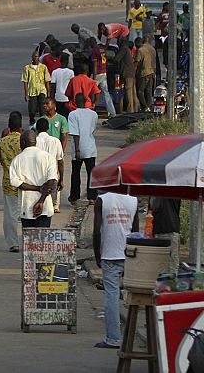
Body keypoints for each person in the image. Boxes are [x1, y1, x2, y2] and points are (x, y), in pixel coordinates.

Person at [93, 192, 139, 349]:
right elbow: (136, 232)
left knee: (111, 296)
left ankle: (113, 338)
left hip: (109, 254)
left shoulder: (102, 200)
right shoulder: (133, 200)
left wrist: (98, 255)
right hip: (129, 254)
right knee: (135, 296)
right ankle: (130, 339)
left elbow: (97, 231)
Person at [0, 112, 24, 252]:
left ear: (8, 127)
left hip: (9, 183)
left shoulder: (2, 142)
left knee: (10, 214)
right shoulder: (26, 140)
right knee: (27, 212)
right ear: (20, 127)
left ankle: (13, 243)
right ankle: (30, 242)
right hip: (28, 183)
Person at [9, 130, 58, 228]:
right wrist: (41, 201)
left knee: (29, 240)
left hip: (27, 207)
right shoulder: (48, 157)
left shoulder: (17, 160)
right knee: (43, 239)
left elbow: (16, 183)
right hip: (45, 206)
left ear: (23, 143)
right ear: (35, 142)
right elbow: (51, 180)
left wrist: (37, 188)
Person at [68, 93, 98, 203]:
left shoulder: (73, 115)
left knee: (75, 173)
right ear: (86, 101)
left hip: (78, 148)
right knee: (91, 173)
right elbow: (92, 128)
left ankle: (74, 196)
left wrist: (77, 149)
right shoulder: (94, 114)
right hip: (90, 147)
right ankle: (92, 197)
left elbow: (75, 133)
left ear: (75, 101)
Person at [35, 118, 64, 213]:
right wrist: (61, 179)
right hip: (52, 175)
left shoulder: (33, 141)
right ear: (48, 128)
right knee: (50, 204)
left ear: (36, 129)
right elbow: (60, 161)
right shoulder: (55, 141)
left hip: (37, 175)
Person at [151, 197, 181, 274]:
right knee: (167, 262)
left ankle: (170, 282)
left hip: (167, 227)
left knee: (168, 262)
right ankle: (167, 282)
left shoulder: (160, 192)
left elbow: (154, 208)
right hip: (164, 227)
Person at [22, 50, 50, 126]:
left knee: (42, 109)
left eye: (37, 56)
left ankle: (42, 125)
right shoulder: (27, 68)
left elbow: (47, 80)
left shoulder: (43, 67)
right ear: (32, 57)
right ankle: (32, 120)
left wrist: (48, 94)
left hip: (42, 90)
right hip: (32, 91)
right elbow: (25, 81)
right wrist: (26, 94)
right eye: (34, 56)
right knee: (32, 110)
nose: (35, 58)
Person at [91, 40, 116, 118]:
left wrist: (94, 77)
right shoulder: (102, 49)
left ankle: (91, 109)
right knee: (106, 93)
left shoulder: (94, 50)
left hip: (97, 74)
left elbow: (95, 64)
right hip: (104, 73)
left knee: (91, 92)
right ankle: (112, 112)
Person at [114, 37, 138, 113]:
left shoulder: (123, 49)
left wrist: (108, 58)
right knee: (133, 93)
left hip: (127, 74)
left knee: (129, 93)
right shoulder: (127, 49)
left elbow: (116, 59)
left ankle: (130, 110)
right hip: (131, 73)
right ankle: (134, 110)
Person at [135, 35, 157, 112]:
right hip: (151, 72)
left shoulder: (140, 50)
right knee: (148, 91)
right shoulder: (152, 49)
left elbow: (136, 63)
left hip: (143, 73)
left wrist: (134, 72)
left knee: (140, 91)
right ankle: (150, 107)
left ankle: (145, 107)